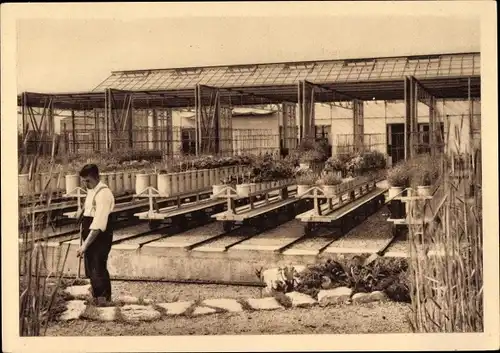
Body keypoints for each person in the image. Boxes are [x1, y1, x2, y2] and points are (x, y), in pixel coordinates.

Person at [75, 164, 115, 306]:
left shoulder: (104, 194)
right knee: (91, 266)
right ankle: (98, 298)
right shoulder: (92, 189)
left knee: (98, 265)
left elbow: (98, 225)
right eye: (84, 181)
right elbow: (88, 207)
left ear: (96, 177)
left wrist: (84, 246)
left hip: (100, 236)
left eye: (87, 181)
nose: (85, 184)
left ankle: (104, 301)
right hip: (90, 232)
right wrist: (81, 211)